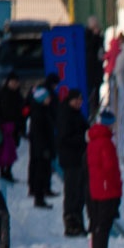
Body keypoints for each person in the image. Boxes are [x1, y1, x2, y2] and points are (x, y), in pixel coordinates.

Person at [85, 111, 121, 248]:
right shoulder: (106, 142)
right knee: (104, 223)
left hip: (96, 186)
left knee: (97, 222)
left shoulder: (93, 140)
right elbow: (110, 167)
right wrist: (116, 186)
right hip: (106, 188)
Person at [55, 88, 89, 238]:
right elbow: (64, 138)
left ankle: (78, 223)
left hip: (79, 159)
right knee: (72, 193)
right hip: (71, 160)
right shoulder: (65, 115)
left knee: (79, 193)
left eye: (80, 100)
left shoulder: (76, 114)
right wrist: (84, 138)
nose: (79, 102)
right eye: (76, 100)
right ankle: (71, 224)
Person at [0, 72, 26, 182]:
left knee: (12, 150)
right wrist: (0, 115)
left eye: (16, 82)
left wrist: (22, 125)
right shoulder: (2, 93)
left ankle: (8, 171)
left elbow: (23, 111)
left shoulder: (19, 96)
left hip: (15, 127)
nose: (14, 84)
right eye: (12, 82)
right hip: (4, 126)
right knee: (4, 150)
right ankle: (2, 171)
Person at [26, 79, 55, 208]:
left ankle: (41, 196)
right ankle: (39, 198)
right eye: (47, 97)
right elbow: (39, 134)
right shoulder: (39, 114)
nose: (50, 99)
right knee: (40, 173)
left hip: (41, 148)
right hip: (41, 149)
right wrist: (44, 149)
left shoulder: (42, 111)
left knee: (42, 172)